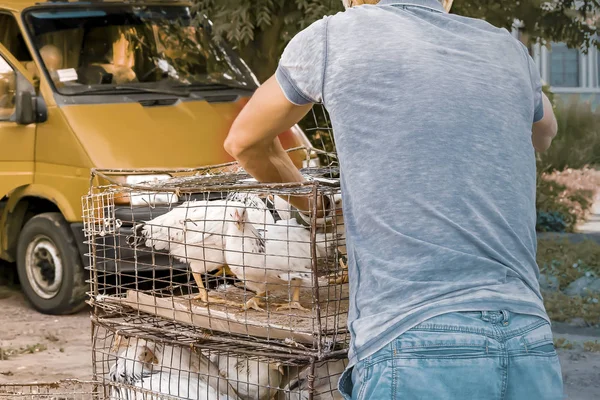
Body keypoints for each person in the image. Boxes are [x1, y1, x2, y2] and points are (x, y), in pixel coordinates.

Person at [224, 0, 562, 398]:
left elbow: (243, 141)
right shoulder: (509, 51)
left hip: (412, 341)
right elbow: (545, 133)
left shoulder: (333, 37)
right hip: (527, 336)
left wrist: (315, 207)